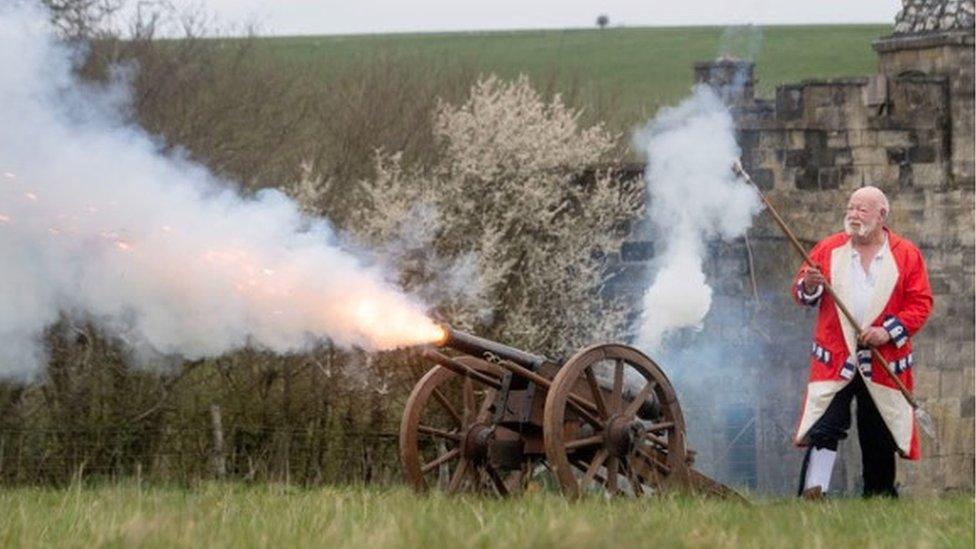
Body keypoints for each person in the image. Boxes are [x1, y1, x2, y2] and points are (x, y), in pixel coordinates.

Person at [792, 186, 933, 498]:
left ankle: (879, 500)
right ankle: (813, 496)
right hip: (835, 360)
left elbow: (920, 304)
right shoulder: (828, 249)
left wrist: (887, 332)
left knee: (879, 433)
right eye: (851, 208)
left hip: (883, 363)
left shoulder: (906, 254)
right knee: (825, 429)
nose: (853, 215)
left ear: (882, 216)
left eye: (862, 210)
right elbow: (802, 292)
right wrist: (810, 284)